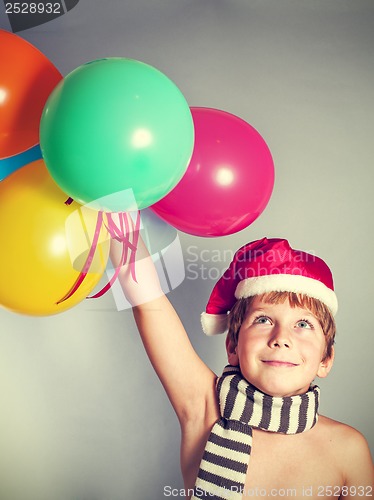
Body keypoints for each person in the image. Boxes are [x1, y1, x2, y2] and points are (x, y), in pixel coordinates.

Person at [110, 233, 373, 499]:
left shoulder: (349, 450)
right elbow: (147, 301)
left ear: (325, 360)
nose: (281, 338)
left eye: (303, 324)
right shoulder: (204, 409)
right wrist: (114, 210)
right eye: (263, 320)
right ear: (233, 347)